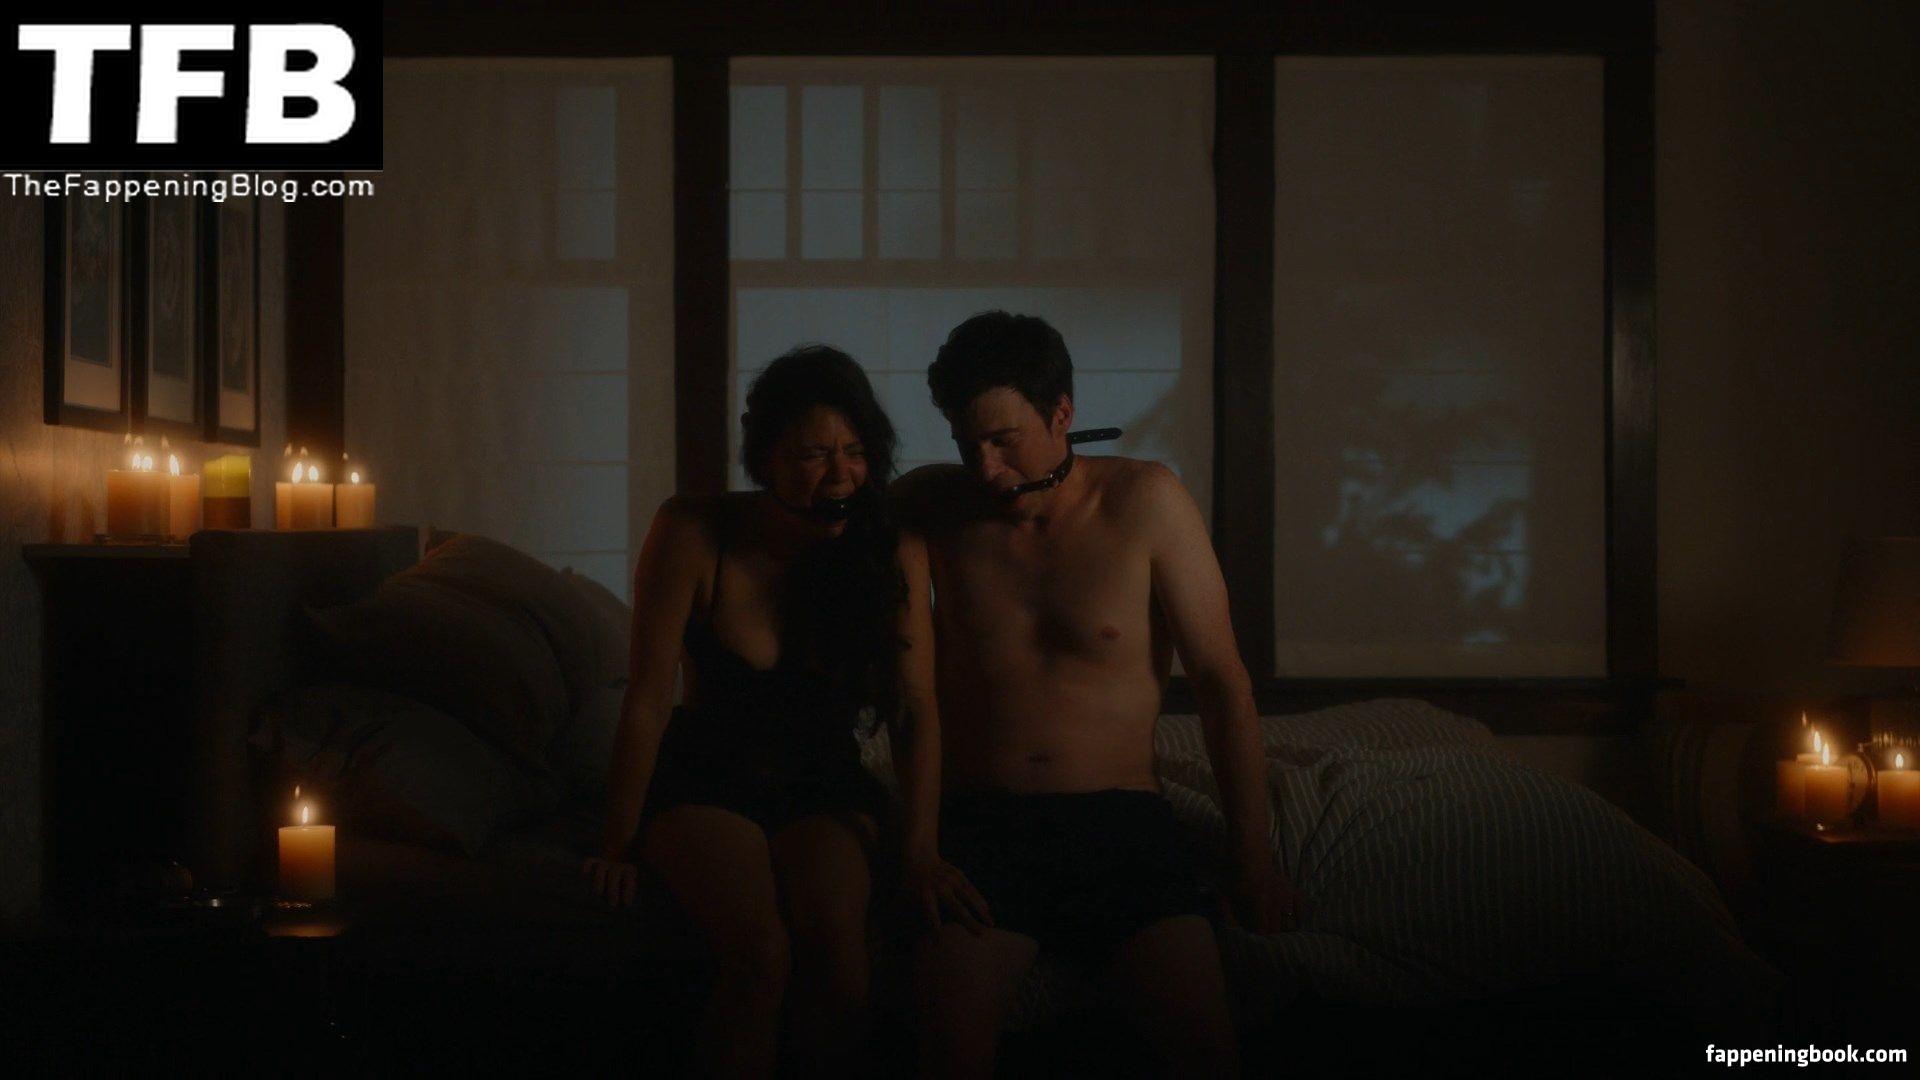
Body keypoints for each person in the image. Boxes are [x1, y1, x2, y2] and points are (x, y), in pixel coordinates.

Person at [895, 312, 1301, 1079]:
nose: (985, 467)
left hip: (1120, 825)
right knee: (948, 1050)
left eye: (1004, 440)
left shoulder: (1145, 501)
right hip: (985, 826)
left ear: (1062, 415)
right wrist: (917, 851)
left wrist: (1253, 857)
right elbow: (908, 692)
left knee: (1206, 1052)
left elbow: (1222, 683)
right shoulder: (928, 508)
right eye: (966, 443)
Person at [581, 345, 982, 1078]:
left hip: (823, 784)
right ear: (764, 458)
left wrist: (921, 851)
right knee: (760, 954)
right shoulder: (694, 530)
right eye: (813, 455)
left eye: (855, 453)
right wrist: (616, 842)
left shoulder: (885, 547)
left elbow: (915, 709)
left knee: (840, 952)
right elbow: (647, 697)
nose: (840, 475)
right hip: (707, 780)